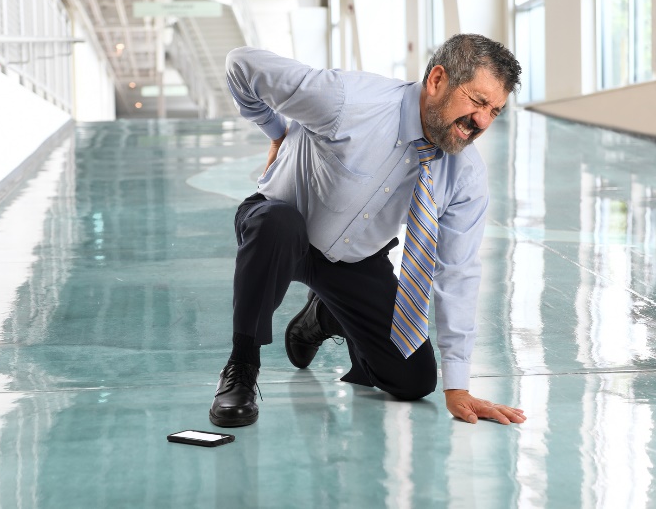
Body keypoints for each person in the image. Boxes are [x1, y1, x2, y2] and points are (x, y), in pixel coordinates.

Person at [209, 33, 527, 428]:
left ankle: (322, 317)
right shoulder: (347, 100)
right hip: (278, 231)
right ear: (437, 80)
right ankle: (241, 366)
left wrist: (457, 385)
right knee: (279, 223)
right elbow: (241, 64)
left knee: (414, 379)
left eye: (494, 111)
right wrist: (275, 131)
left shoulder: (465, 175)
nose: (482, 121)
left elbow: (457, 271)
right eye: (478, 101)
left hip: (352, 259)